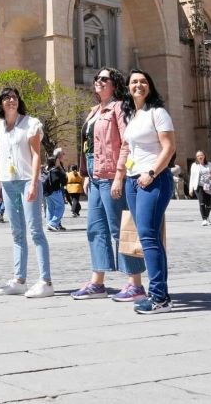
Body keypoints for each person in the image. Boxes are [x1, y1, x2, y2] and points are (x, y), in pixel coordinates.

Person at [70, 68, 145, 303]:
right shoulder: (94, 111)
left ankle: (136, 284)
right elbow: (87, 146)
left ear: (115, 84)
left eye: (105, 79)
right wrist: (84, 174)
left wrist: (120, 175)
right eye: (97, 79)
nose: (99, 82)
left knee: (121, 228)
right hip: (95, 176)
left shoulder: (120, 108)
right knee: (95, 230)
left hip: (112, 173)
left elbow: (126, 143)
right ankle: (98, 282)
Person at [121, 69, 176, 315]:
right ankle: (161, 293)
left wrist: (151, 172)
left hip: (153, 179)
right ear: (128, 87)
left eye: (143, 81)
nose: (138, 85)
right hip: (133, 181)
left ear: (150, 86)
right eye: (134, 82)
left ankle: (158, 297)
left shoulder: (158, 113)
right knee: (148, 237)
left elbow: (169, 147)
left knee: (149, 237)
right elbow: (129, 149)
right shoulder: (133, 115)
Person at [0, 87, 54, 298]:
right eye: (7, 98)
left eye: (14, 97)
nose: (11, 100)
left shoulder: (30, 123)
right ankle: (19, 279)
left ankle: (46, 280)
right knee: (17, 232)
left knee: (35, 230)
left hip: (27, 180)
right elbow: (2, 157)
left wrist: (35, 183)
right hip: (9, 182)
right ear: (0, 102)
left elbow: (37, 155)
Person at [189, 150, 211, 226]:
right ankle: (204, 219)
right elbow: (192, 177)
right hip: (198, 186)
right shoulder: (194, 165)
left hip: (208, 186)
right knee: (202, 202)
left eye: (201, 155)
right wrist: (190, 189)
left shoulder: (209, 164)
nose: (200, 157)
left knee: (209, 205)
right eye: (198, 156)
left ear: (204, 156)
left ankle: (207, 217)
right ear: (196, 158)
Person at [44, 148, 68, 232]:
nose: (64, 155)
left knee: (50, 207)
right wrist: (60, 168)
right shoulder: (56, 167)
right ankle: (53, 223)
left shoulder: (48, 165)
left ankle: (51, 224)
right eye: (63, 154)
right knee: (60, 206)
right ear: (58, 156)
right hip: (55, 189)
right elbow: (64, 178)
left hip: (47, 191)